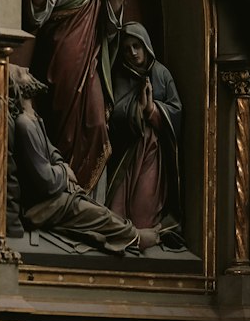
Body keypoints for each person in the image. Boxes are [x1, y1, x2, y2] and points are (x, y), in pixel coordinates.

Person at [24, 0, 128, 193]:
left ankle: (92, 203)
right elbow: (38, 21)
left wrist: (116, 5)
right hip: (61, 60)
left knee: (96, 125)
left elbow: (107, 32)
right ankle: (66, 196)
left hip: (89, 64)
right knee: (63, 131)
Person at [9, 66, 158, 253]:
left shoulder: (33, 117)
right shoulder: (24, 124)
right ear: (17, 87)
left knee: (93, 207)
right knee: (95, 213)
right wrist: (64, 174)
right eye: (21, 73)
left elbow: (51, 150)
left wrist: (62, 166)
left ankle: (130, 232)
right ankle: (134, 238)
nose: (27, 68)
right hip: (41, 207)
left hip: (54, 194)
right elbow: (45, 180)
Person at [107, 22, 183, 237]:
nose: (132, 52)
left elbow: (176, 111)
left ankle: (147, 234)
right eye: (126, 48)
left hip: (153, 154)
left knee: (143, 213)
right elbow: (114, 113)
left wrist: (152, 110)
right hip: (126, 154)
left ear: (146, 46)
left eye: (136, 46)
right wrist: (137, 110)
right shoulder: (121, 76)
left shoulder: (161, 74)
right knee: (116, 212)